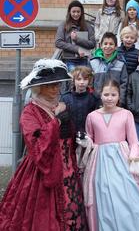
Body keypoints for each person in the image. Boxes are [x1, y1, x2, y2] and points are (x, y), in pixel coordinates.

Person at [0, 59, 87, 230]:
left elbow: (67, 138)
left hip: (68, 169)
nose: (56, 89)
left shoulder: (61, 106)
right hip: (42, 170)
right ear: (39, 87)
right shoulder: (29, 112)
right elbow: (36, 145)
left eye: (57, 84)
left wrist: (73, 131)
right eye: (50, 86)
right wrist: (57, 122)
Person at [77, 78, 139, 231]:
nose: (109, 98)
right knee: (103, 192)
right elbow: (91, 140)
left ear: (119, 96)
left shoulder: (126, 114)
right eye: (106, 94)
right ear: (100, 95)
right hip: (99, 160)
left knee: (126, 192)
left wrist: (135, 163)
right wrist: (85, 142)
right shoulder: (92, 116)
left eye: (113, 95)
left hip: (122, 158)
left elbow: (133, 141)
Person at [55, 0, 95, 71]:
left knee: (84, 81)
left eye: (78, 12)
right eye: (73, 12)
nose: (76, 14)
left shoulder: (88, 26)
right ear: (69, 12)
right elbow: (58, 42)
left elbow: (92, 44)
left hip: (84, 60)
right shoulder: (63, 25)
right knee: (74, 80)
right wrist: (77, 49)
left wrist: (77, 39)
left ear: (81, 12)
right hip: (69, 60)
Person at [90, 32, 128, 107]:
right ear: (101, 45)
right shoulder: (93, 62)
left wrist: (121, 100)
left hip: (115, 102)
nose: (108, 46)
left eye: (111, 44)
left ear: (116, 46)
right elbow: (90, 83)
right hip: (97, 102)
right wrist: (92, 99)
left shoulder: (120, 63)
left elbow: (124, 83)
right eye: (105, 43)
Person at [60, 66, 100, 138]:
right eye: (78, 79)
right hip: (70, 137)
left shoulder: (94, 98)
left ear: (89, 81)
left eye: (85, 79)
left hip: (88, 136)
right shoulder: (65, 98)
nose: (82, 82)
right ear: (73, 80)